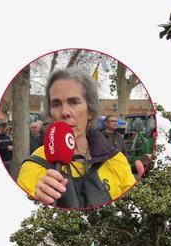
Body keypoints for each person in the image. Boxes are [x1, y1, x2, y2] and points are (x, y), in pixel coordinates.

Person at [17, 69, 136, 208]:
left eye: (74, 102)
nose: (65, 112)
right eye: (56, 104)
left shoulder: (116, 161)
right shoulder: (35, 165)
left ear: (90, 111)